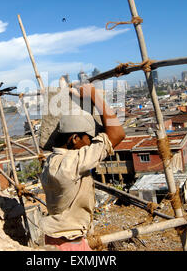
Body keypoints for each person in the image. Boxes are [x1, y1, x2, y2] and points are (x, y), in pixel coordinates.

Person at [39, 84, 126, 251]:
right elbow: (117, 134)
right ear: (75, 138)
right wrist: (95, 96)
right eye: (89, 139)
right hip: (70, 243)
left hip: (55, 237)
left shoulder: (52, 161)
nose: (91, 143)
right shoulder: (73, 162)